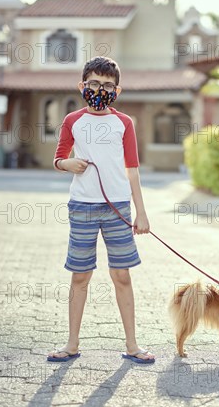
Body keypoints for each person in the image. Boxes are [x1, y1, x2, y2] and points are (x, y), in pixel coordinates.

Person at [47, 56, 155, 364]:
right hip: (82, 206)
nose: (100, 89)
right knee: (80, 276)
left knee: (122, 275)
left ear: (117, 91)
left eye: (107, 85)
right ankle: (71, 344)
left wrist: (141, 212)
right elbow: (58, 158)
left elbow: (132, 169)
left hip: (117, 208)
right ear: (83, 86)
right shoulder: (72, 121)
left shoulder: (124, 123)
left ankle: (132, 345)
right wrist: (67, 163)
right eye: (94, 83)